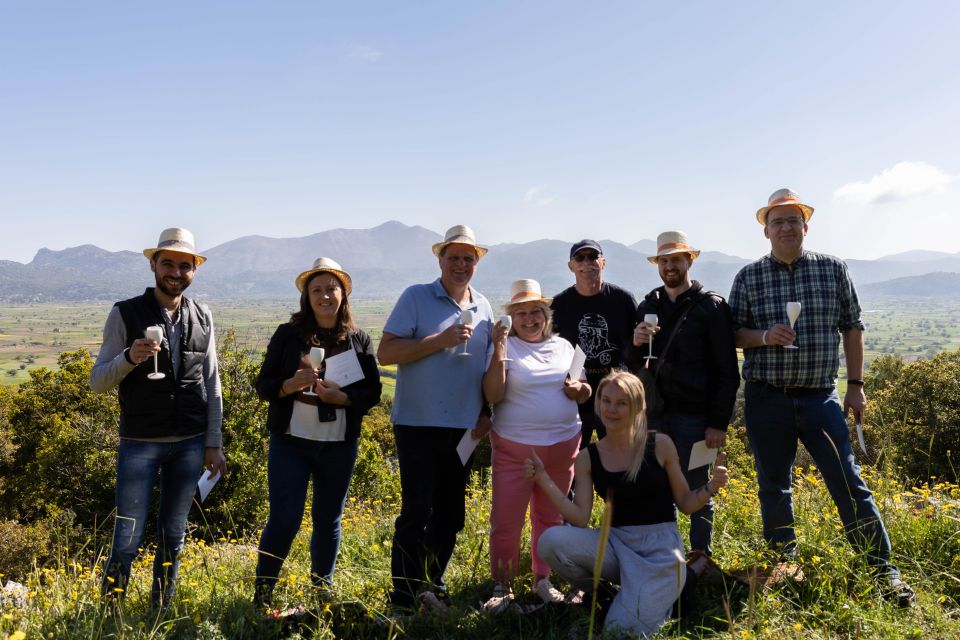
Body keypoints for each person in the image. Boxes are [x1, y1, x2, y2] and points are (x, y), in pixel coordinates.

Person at [729, 188, 914, 606]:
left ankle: (883, 573)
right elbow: (733, 333)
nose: (787, 228)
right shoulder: (748, 276)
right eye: (778, 221)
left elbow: (852, 326)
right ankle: (781, 564)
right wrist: (764, 336)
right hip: (767, 398)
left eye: (794, 220)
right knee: (773, 486)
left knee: (848, 482)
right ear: (766, 231)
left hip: (820, 399)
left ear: (805, 226)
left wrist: (856, 386)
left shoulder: (832, 269)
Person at [527, 371, 728, 637]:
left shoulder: (660, 445)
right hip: (616, 547)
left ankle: (680, 583)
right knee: (550, 541)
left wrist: (711, 487)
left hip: (661, 551)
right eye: (606, 401)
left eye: (621, 403)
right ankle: (604, 594)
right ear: (598, 403)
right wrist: (542, 478)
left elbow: (686, 504)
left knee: (619, 632)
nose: (612, 409)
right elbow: (579, 518)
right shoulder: (588, 457)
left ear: (637, 406)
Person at [90, 227, 227, 610]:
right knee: (127, 536)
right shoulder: (125, 312)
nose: (176, 272)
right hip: (140, 442)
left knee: (174, 534)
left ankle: (160, 612)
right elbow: (97, 381)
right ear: (153, 265)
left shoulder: (204, 316)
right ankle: (110, 613)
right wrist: (128, 359)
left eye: (185, 265)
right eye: (168, 263)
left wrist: (213, 443)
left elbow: (212, 383)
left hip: (190, 442)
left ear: (194, 270)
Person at [252, 257, 382, 609]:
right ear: (307, 297)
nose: (325, 296)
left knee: (329, 520)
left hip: (339, 446)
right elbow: (262, 384)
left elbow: (372, 393)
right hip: (291, 443)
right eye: (317, 290)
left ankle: (321, 593)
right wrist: (287, 386)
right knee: (284, 519)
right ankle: (262, 595)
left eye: (331, 289)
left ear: (343, 295)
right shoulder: (288, 335)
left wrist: (343, 398)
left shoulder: (358, 339)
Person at [377, 225, 494, 612]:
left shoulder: (485, 306)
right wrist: (439, 342)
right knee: (416, 512)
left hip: (463, 427)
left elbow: (485, 367)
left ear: (476, 263)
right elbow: (386, 353)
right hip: (416, 423)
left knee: (451, 514)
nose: (460, 264)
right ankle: (403, 596)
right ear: (440, 259)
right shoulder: (416, 297)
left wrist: (486, 411)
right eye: (453, 257)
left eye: (468, 258)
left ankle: (432, 583)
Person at [627, 231, 739, 556]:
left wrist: (718, 422)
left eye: (676, 259)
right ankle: (669, 555)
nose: (670, 266)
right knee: (658, 488)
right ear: (658, 265)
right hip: (654, 418)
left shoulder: (712, 307)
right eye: (664, 261)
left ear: (689, 260)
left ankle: (700, 557)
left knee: (697, 487)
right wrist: (634, 344)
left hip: (697, 418)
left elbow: (727, 371)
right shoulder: (648, 305)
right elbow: (633, 367)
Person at [481, 279, 590, 611]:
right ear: (512, 318)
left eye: (536, 312)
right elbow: (493, 395)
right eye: (521, 313)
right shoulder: (505, 347)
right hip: (515, 447)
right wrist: (499, 349)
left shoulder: (564, 347)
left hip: (563, 445)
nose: (529, 319)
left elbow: (584, 390)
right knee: (506, 518)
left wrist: (578, 390)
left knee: (550, 517)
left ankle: (542, 580)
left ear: (546, 316)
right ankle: (503, 584)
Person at [551, 240, 637, 446]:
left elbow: (638, 345)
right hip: (574, 396)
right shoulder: (561, 304)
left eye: (592, 256)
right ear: (570, 266)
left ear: (603, 262)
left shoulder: (622, 300)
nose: (586, 262)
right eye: (580, 258)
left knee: (619, 460)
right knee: (572, 463)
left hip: (617, 395)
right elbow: (549, 348)